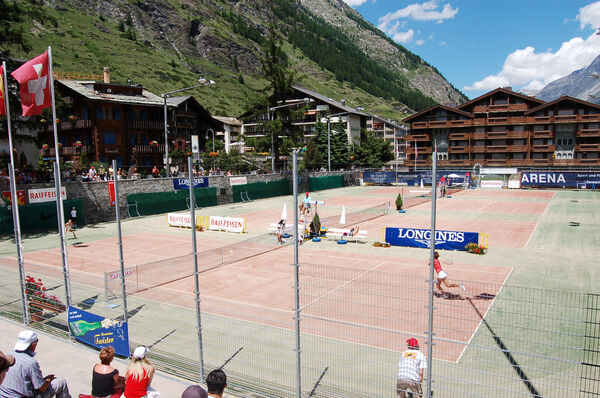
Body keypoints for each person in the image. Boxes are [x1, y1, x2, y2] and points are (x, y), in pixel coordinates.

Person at [0, 330, 71, 398]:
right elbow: (42, 388)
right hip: (23, 396)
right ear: (33, 344)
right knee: (61, 382)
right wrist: (48, 379)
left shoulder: (8, 356)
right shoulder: (31, 363)